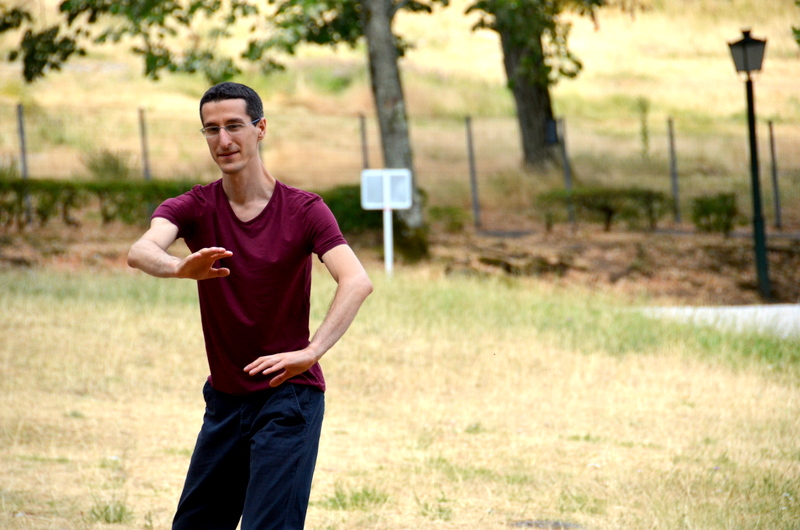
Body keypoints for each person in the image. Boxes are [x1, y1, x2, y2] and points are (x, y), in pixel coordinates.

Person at [127, 81, 373, 530]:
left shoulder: (304, 210)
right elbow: (141, 251)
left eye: (234, 126)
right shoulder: (195, 206)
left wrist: (311, 352)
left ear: (260, 129)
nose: (223, 141)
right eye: (211, 129)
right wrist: (180, 268)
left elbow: (356, 281)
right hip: (224, 401)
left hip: (289, 398)